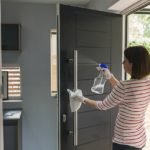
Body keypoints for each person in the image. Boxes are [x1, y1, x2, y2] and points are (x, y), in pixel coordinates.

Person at [71, 46, 150, 150]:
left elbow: (102, 105)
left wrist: (81, 98)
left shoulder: (125, 86)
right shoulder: (147, 83)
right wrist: (109, 76)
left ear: (132, 64)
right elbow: (125, 92)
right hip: (138, 139)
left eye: (125, 60)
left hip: (124, 142)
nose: (122, 63)